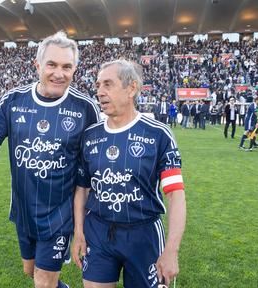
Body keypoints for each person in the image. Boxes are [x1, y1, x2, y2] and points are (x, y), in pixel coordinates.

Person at [0, 31, 100, 288]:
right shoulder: (14, 101)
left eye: (67, 67)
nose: (59, 73)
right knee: (31, 271)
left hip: (60, 214)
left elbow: (97, 161)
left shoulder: (85, 109)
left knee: (43, 283)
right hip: (23, 211)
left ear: (75, 69)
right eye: (52, 65)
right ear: (38, 66)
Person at [72, 59, 186, 288]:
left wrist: (172, 249)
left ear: (131, 88)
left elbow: (175, 195)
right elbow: (82, 189)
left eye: (108, 84)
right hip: (98, 231)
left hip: (143, 234)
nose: (100, 92)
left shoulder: (158, 134)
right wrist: (79, 231)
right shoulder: (90, 136)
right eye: (97, 86)